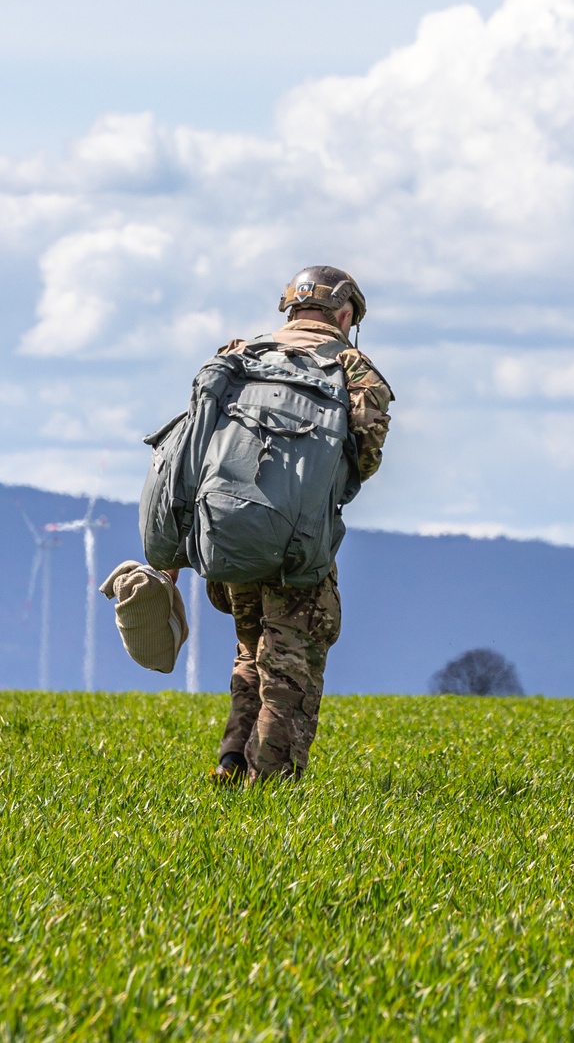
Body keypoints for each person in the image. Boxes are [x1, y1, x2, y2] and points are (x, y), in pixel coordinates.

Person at [178, 266, 393, 785]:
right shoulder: (352, 366)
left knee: (251, 650)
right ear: (344, 316)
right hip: (298, 546)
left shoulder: (241, 354)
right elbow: (364, 456)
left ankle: (231, 762)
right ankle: (268, 785)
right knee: (291, 667)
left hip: (232, 536)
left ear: (291, 309)